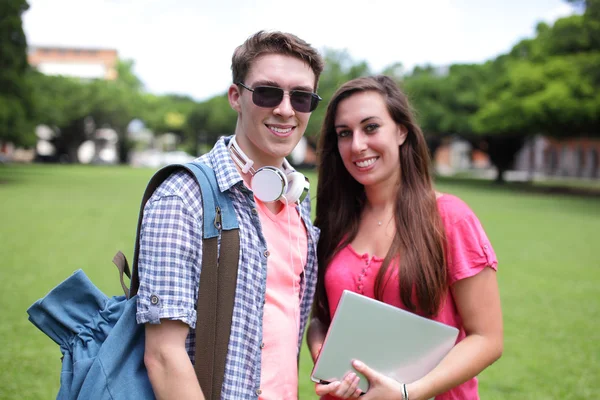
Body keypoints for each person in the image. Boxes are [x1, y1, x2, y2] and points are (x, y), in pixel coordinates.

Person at [136, 31, 324, 400]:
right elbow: (163, 354)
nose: (286, 109)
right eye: (268, 92)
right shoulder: (182, 197)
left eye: (301, 97)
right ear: (236, 97)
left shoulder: (297, 198)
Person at [307, 75, 503, 400]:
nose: (357, 145)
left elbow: (487, 338)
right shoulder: (334, 221)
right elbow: (321, 319)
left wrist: (406, 393)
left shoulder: (450, 218)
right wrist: (325, 361)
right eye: (344, 133)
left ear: (401, 131)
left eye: (371, 128)